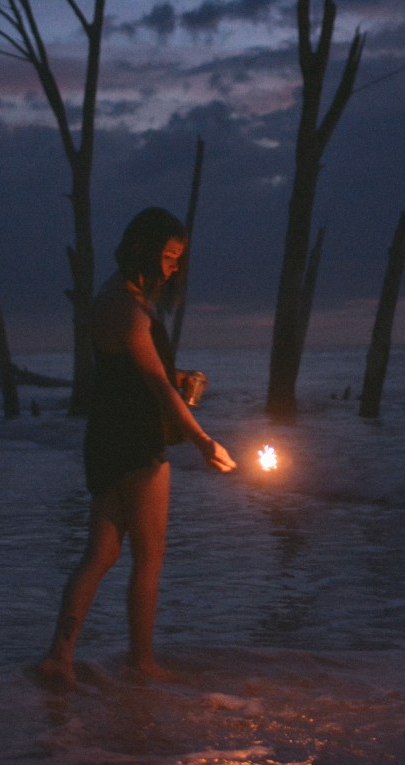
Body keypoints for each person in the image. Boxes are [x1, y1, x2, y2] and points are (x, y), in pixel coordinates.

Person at [36, 207, 236, 685]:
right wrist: (204, 441)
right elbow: (156, 386)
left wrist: (179, 376)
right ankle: (141, 662)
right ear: (143, 251)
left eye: (178, 258)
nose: (174, 267)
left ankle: (58, 658)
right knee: (149, 556)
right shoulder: (126, 307)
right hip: (134, 442)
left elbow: (141, 374)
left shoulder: (115, 298)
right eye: (168, 256)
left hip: (105, 439)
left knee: (101, 554)